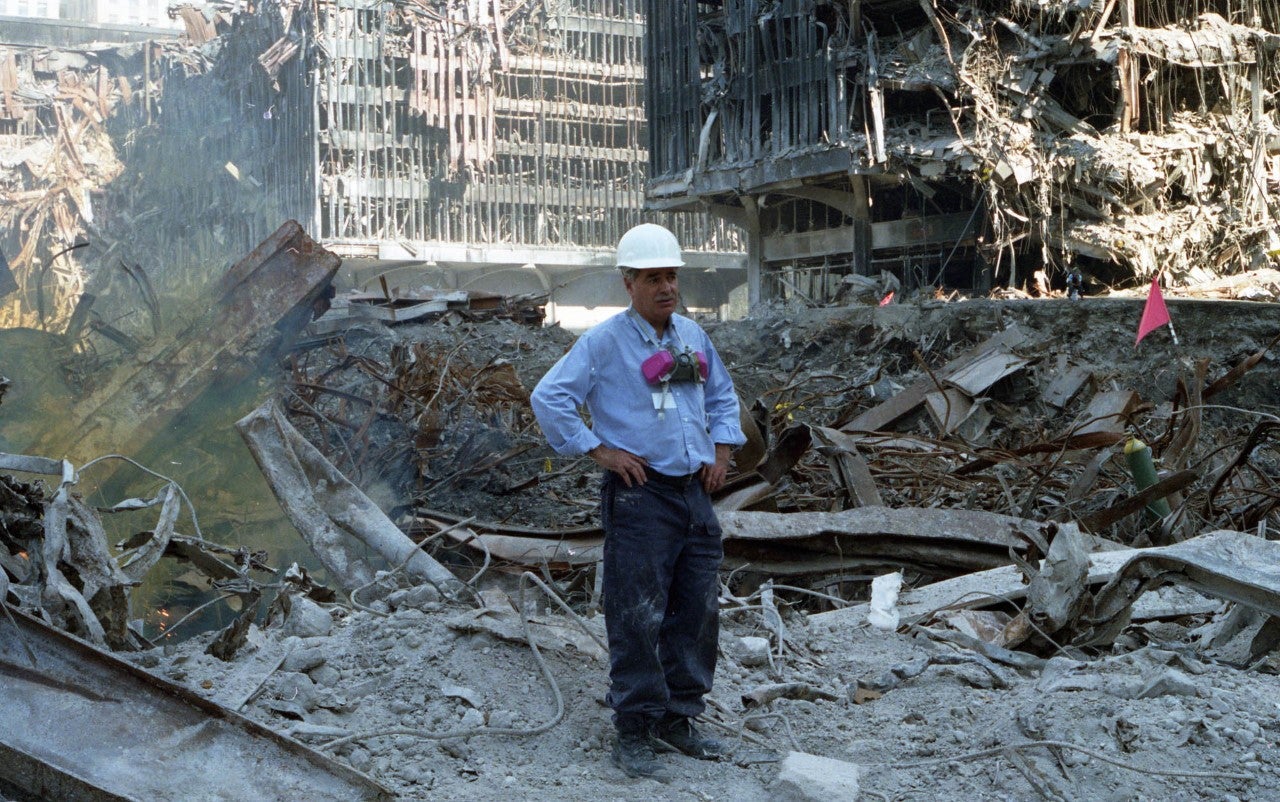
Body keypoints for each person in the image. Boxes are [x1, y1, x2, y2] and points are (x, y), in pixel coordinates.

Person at [530, 223, 746, 780]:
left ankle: (680, 719)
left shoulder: (693, 338)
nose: (666, 287)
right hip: (640, 496)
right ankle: (634, 730)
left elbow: (722, 396)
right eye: (653, 278)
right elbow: (549, 396)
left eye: (671, 277)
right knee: (636, 613)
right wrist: (597, 450)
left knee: (696, 609)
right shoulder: (604, 343)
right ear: (629, 283)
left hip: (694, 496)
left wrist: (720, 452)